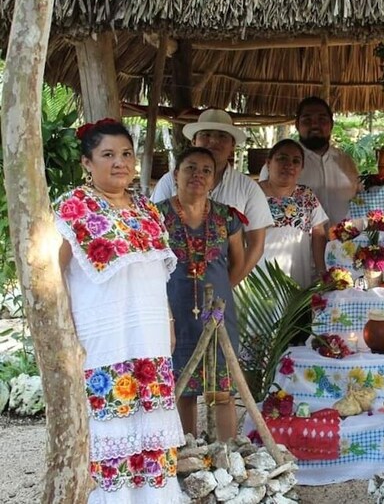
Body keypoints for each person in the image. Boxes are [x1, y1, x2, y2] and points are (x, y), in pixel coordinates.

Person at [54, 118, 184, 501]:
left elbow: (159, 274)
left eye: (126, 154)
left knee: (152, 425)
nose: (120, 163)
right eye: (107, 155)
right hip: (102, 334)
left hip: (150, 333)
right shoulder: (72, 207)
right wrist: (63, 330)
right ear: (86, 163)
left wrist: (170, 321)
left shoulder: (147, 209)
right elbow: (53, 270)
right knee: (112, 422)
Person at [157, 147, 245, 441]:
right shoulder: (156, 217)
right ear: (175, 174)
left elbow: (238, 261)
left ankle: (227, 455)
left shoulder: (226, 217)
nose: (198, 175)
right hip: (173, 313)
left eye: (206, 170)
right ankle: (187, 453)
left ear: (214, 180)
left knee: (223, 390)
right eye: (190, 168)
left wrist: (219, 291)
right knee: (183, 390)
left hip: (219, 313)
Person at [151, 109, 273, 283]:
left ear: (232, 146)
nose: (214, 141)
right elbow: (152, 232)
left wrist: (228, 287)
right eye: (206, 134)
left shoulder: (248, 188)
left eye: (222, 136)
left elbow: (256, 246)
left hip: (226, 289)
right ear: (194, 141)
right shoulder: (170, 180)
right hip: (171, 286)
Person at [260, 96, 359, 226]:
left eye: (322, 119)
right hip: (299, 245)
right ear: (297, 125)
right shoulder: (279, 165)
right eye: (307, 120)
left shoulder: (346, 161)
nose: (314, 125)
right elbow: (262, 209)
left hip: (345, 243)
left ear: (331, 124)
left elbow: (359, 200)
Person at [260, 139, 329, 287]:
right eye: (282, 158)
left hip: (297, 276)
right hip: (258, 278)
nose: (289, 165)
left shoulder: (306, 195)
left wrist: (322, 273)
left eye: (296, 161)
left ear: (301, 168)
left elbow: (318, 234)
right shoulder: (251, 194)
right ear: (268, 163)